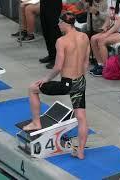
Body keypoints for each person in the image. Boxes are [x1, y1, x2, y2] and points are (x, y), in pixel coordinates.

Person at [23, 12, 90, 159]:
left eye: (60, 23)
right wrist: (80, 77)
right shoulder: (84, 37)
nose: (58, 25)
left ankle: (36, 123)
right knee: (81, 117)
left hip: (67, 83)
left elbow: (58, 67)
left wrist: (45, 79)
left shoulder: (62, 41)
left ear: (66, 23)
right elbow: (86, 62)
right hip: (80, 82)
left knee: (33, 89)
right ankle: (80, 151)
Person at [89, 0, 120, 76]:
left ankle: (107, 68)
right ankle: (100, 64)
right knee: (93, 38)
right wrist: (105, 26)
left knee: (102, 41)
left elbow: (118, 25)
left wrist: (106, 35)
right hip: (115, 31)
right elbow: (108, 17)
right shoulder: (110, 1)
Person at [39, 0, 62, 69]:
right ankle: (51, 54)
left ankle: (58, 58)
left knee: (53, 30)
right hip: (44, 3)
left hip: (53, 4)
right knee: (45, 27)